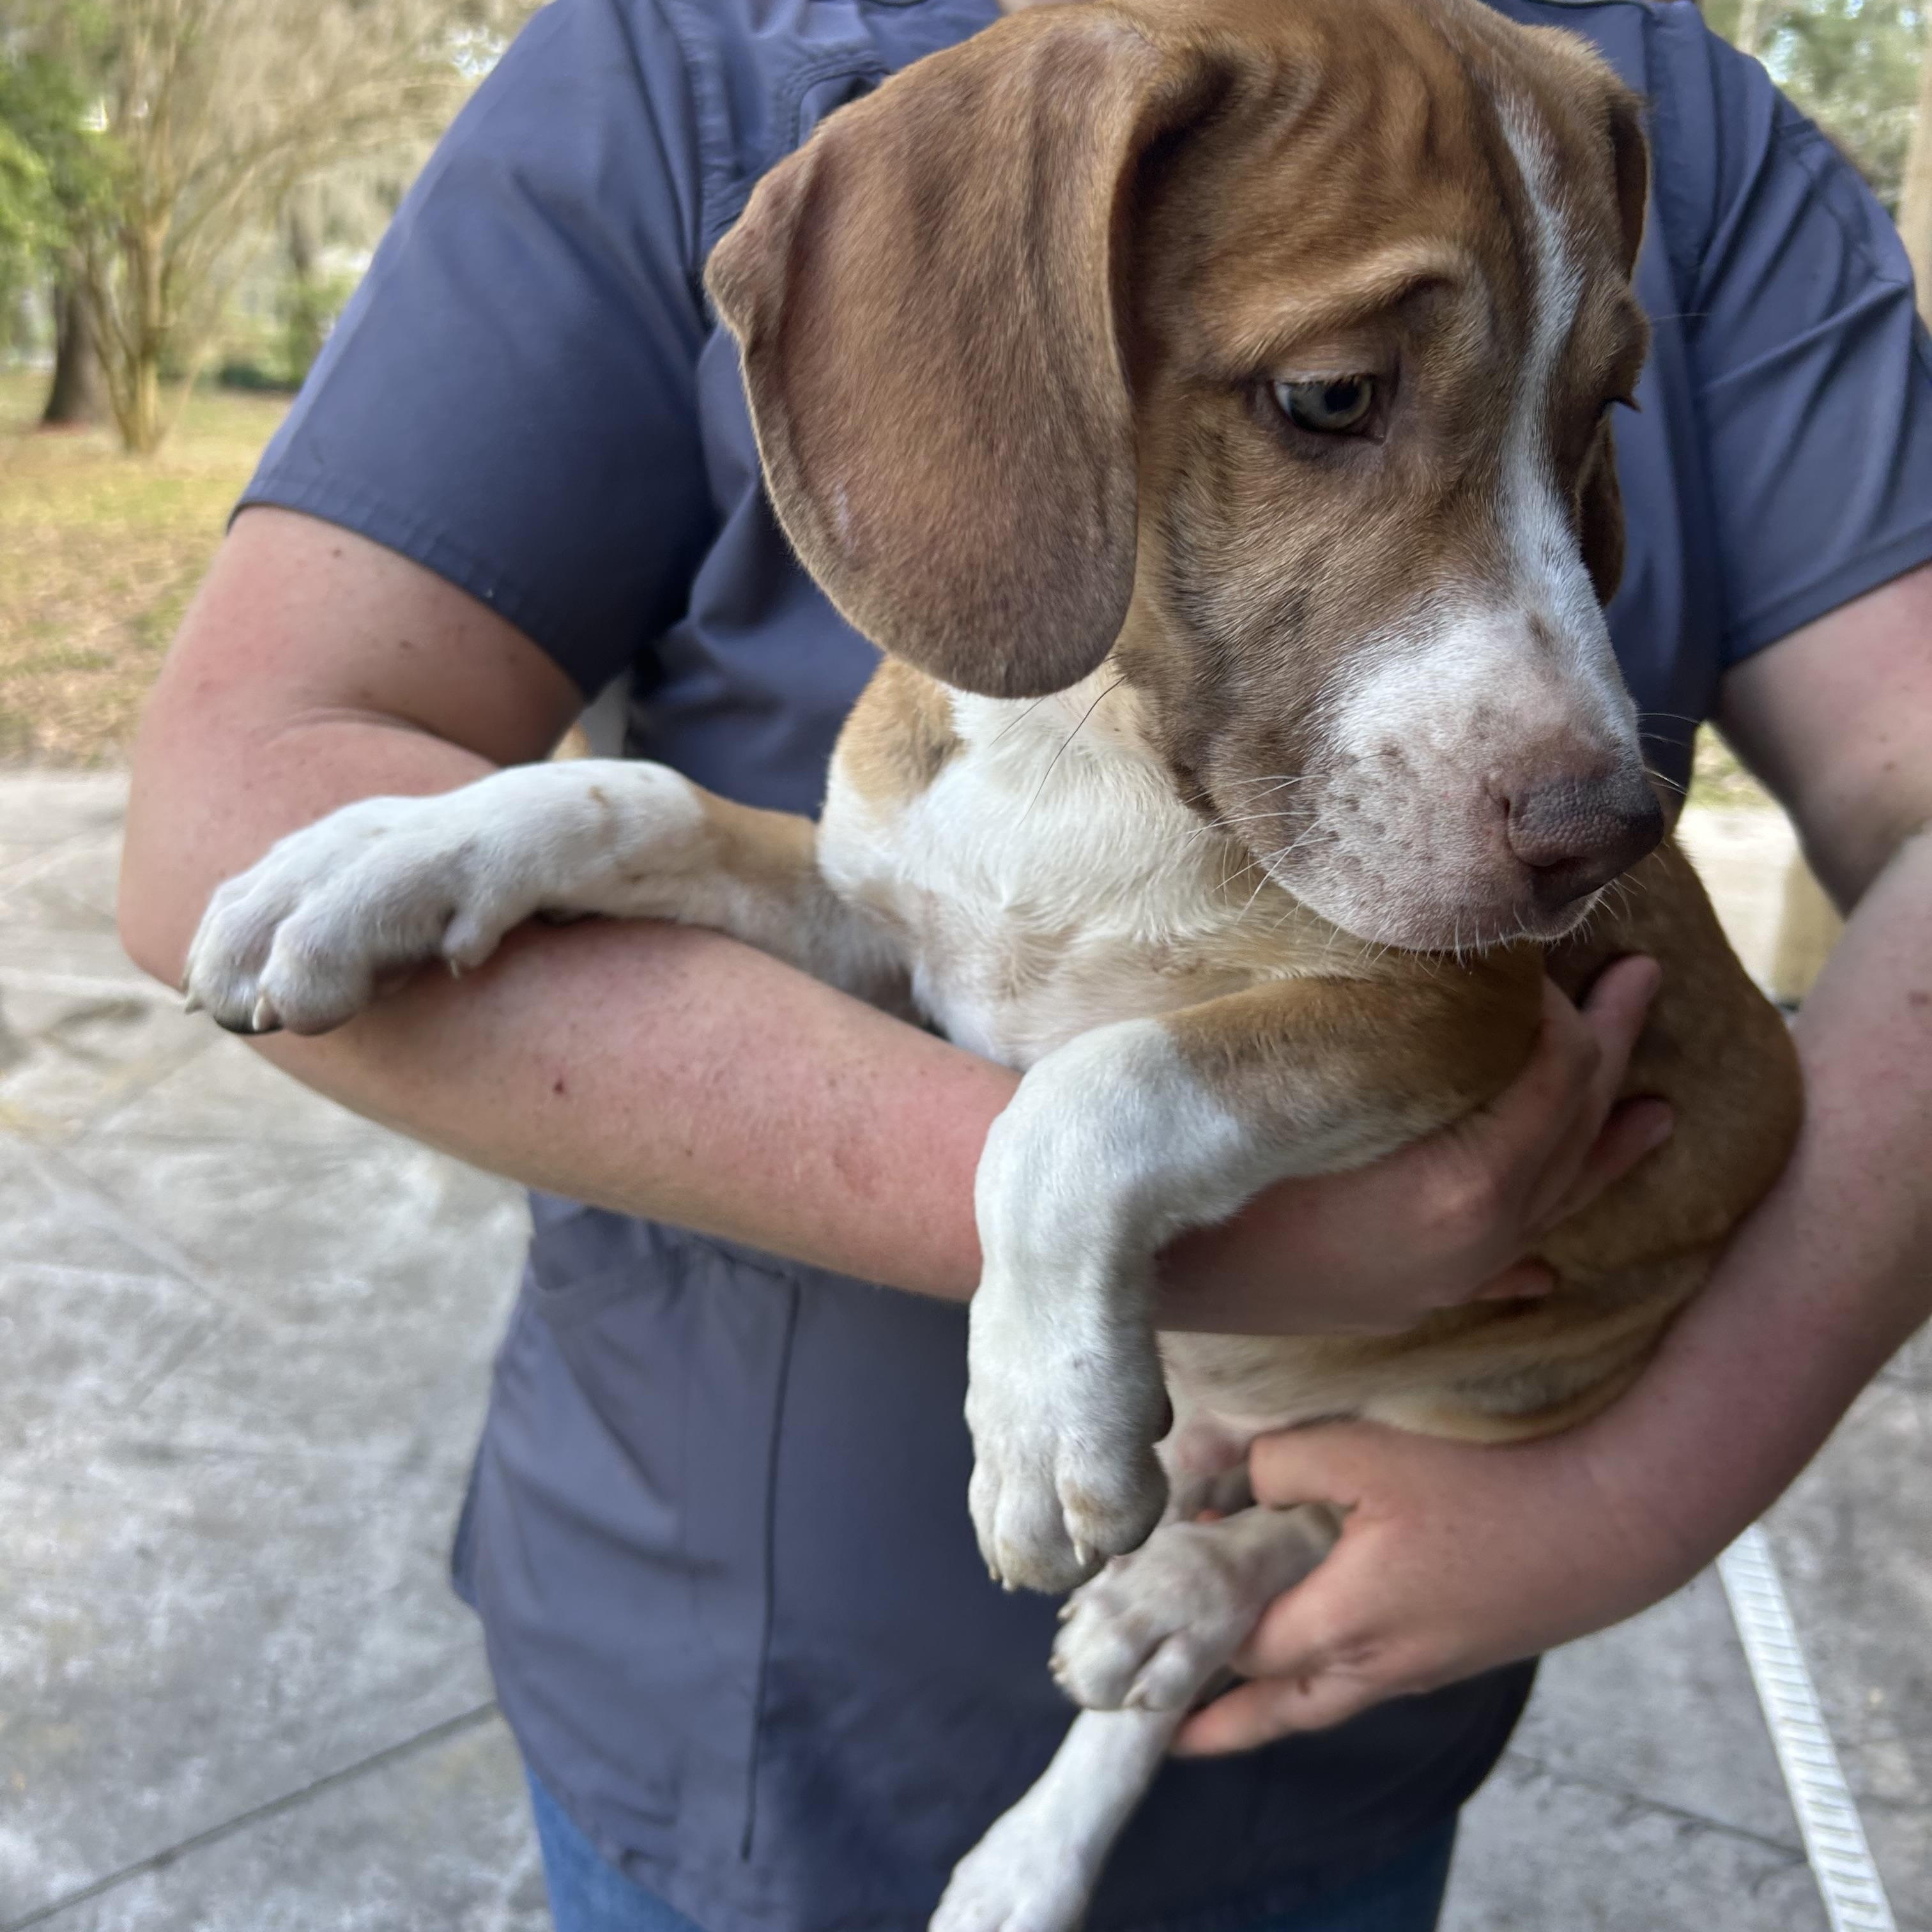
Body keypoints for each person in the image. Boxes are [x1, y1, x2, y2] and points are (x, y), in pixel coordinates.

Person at [116, 0, 1932, 1926]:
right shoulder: (698, 57)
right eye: (1333, 400)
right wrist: (1072, 1195)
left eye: (1582, 423)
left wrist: (1636, 1491)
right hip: (725, 1712)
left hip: (1366, 1694)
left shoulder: (1628, 102)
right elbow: (235, 816)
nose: (1585, 717)